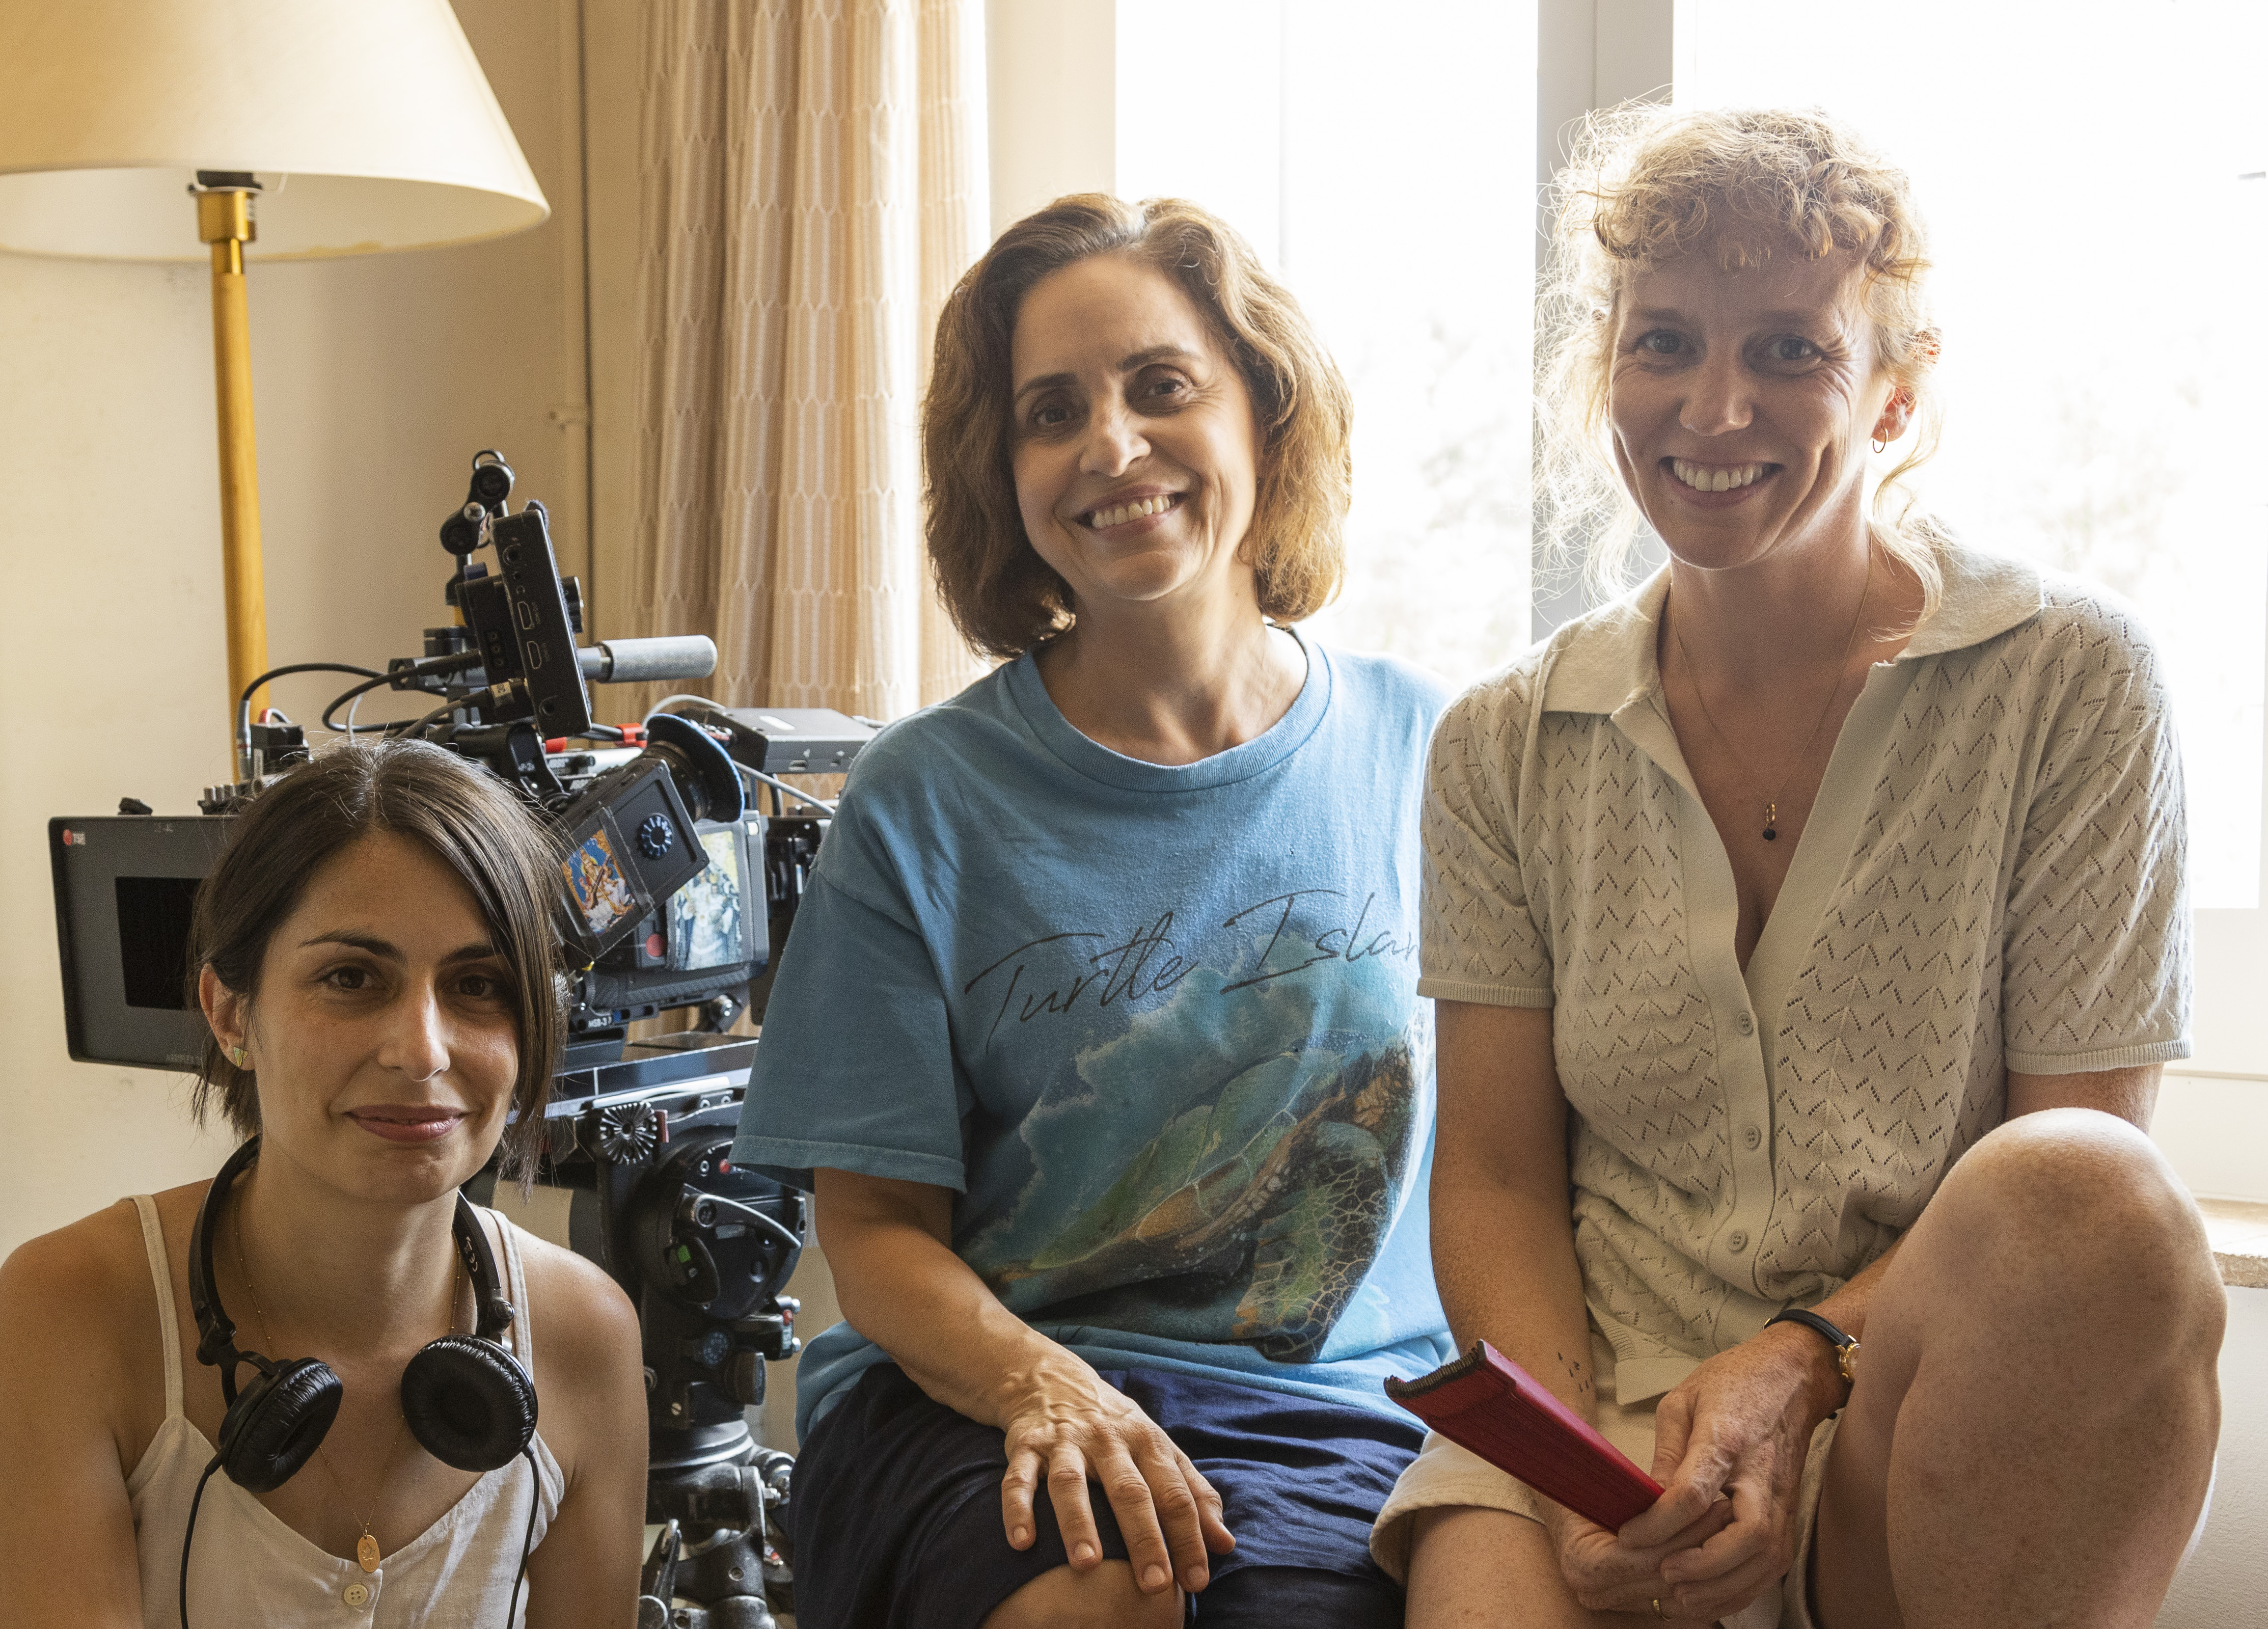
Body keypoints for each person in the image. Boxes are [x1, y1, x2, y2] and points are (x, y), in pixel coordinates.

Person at [1374, 107, 2227, 1628]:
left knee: (2093, 1193)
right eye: (1662, 344)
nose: (1710, 406)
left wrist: (1797, 1355)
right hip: (1594, 1416)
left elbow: (2075, 1179)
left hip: (1903, 1393)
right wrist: (1584, 1476)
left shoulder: (2071, 684)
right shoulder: (1501, 741)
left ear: (1893, 398)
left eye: (1785, 349)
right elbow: (1496, 1175)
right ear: (1605, 379)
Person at [729, 194, 1452, 1627]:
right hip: (976, 1392)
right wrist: (1049, 1387)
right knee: (1101, 1597)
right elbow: (870, 1232)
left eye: (1160, 387)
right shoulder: (919, 797)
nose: (1110, 446)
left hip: (1339, 1407)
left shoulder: (1434, 751)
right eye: (1050, 412)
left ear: (1263, 410)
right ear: (1003, 477)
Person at [0, 742, 648, 1628]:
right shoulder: (70, 1312)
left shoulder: (585, 1333)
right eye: (352, 977)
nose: (422, 1049)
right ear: (231, 1012)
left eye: (478, 985)